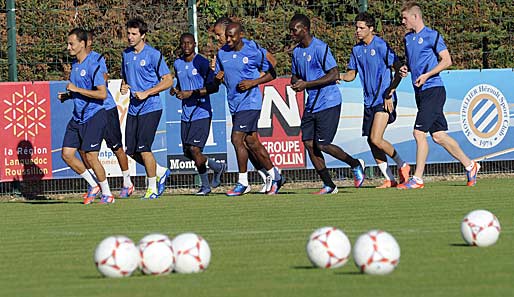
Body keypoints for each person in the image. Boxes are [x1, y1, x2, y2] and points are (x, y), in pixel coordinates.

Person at [398, 2, 480, 189]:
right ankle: (470, 165)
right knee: (439, 136)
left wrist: (427, 75)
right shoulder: (408, 39)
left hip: (434, 90)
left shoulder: (432, 36)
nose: (403, 21)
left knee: (418, 132)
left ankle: (417, 178)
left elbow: (447, 60)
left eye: (405, 18)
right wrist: (406, 68)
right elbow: (413, 63)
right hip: (420, 92)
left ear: (415, 17)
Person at [289, 14, 365, 194]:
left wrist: (307, 84)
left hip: (328, 102)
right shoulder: (297, 52)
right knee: (308, 143)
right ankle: (329, 184)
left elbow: (333, 74)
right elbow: (295, 74)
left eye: (294, 30)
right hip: (311, 104)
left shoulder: (320, 48)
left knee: (322, 144)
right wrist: (296, 82)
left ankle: (355, 163)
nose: (291, 33)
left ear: (305, 29)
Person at [340, 12, 410, 188]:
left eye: (361, 28)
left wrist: (390, 92)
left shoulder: (380, 46)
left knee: (376, 138)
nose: (357, 31)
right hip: (368, 101)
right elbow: (350, 75)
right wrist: (336, 76)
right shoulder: (356, 50)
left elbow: (398, 68)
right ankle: (390, 179)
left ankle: (403, 165)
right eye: (356, 27)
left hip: (384, 98)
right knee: (371, 141)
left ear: (371, 29)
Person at [214, 22, 284, 196]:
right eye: (226, 36)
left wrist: (253, 82)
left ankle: (243, 182)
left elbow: (272, 72)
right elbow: (219, 78)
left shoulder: (252, 50)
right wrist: (218, 78)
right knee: (252, 142)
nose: (228, 39)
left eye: (232, 36)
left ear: (240, 35)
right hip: (234, 104)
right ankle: (275, 174)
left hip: (250, 102)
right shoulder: (222, 53)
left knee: (236, 138)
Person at [59, 28, 114, 204]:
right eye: (68, 44)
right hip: (78, 117)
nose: (68, 47)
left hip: (94, 115)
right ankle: (93, 185)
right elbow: (80, 92)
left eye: (71, 44)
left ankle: (107, 194)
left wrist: (76, 90)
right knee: (67, 154)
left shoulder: (93, 65)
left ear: (82, 44)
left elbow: (102, 94)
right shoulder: (75, 66)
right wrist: (68, 96)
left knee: (91, 156)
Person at [120, 18, 173, 199]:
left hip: (151, 107)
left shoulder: (153, 55)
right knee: (131, 150)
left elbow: (168, 80)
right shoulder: (126, 55)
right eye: (128, 33)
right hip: (134, 108)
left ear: (143, 35)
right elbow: (125, 78)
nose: (130, 37)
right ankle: (160, 171)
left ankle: (152, 188)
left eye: (134, 34)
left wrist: (147, 92)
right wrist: (124, 86)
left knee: (144, 147)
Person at [78, 31, 134, 199]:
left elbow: (103, 77)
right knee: (82, 149)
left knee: (116, 147)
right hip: (87, 113)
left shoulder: (96, 59)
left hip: (105, 109)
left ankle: (127, 182)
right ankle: (96, 184)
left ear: (87, 43)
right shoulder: (77, 62)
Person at [171, 32, 226, 195]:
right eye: (183, 43)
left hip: (201, 111)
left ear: (194, 44)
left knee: (195, 149)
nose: (186, 46)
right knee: (188, 152)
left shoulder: (201, 62)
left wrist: (191, 93)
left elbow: (213, 88)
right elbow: (182, 86)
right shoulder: (177, 64)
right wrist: (176, 90)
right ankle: (217, 167)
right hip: (186, 113)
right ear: (180, 45)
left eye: (189, 43)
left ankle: (205, 186)